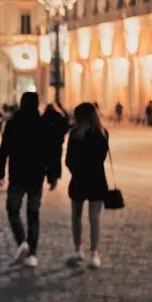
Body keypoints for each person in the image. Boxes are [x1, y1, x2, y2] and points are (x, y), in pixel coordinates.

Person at [0, 92, 53, 268]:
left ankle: (22, 242)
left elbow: (3, 150)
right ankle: (32, 254)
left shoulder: (13, 123)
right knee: (33, 213)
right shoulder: (43, 124)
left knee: (13, 210)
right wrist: (52, 175)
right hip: (36, 175)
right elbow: (49, 152)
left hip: (17, 174)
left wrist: (0, 172)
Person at [65, 102, 109, 269]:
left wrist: (77, 170)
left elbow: (68, 160)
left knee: (76, 215)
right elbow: (102, 157)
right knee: (94, 217)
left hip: (78, 179)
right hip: (97, 179)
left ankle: (77, 249)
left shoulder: (75, 134)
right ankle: (94, 253)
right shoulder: (102, 134)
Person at [42, 103, 70, 186]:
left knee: (48, 161)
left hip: (47, 144)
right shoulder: (59, 117)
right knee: (56, 160)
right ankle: (55, 177)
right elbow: (65, 128)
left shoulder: (44, 118)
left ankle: (51, 178)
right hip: (57, 143)